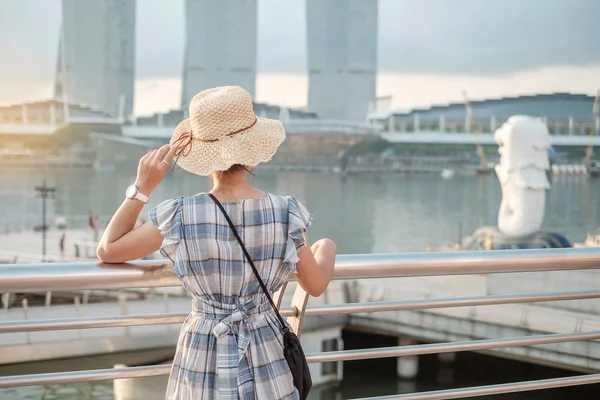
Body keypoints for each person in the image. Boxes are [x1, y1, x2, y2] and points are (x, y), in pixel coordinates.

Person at [97, 86, 338, 399]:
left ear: (201, 153)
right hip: (265, 354)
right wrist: (327, 246)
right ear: (253, 152)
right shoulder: (286, 211)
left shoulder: (180, 214)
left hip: (203, 353)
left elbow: (109, 249)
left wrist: (142, 186)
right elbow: (315, 284)